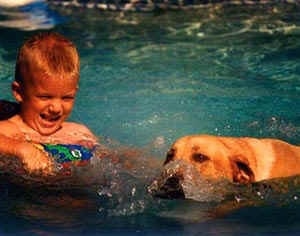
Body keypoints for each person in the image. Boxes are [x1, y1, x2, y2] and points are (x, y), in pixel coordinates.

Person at [0, 32, 98, 175]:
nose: (56, 108)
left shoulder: (79, 132)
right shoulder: (10, 130)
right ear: (19, 92)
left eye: (66, 98)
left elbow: (103, 159)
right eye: (45, 97)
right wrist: (21, 148)